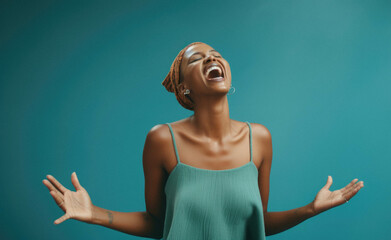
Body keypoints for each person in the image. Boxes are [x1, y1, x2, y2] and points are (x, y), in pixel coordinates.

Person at [42, 42, 364, 239]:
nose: (211, 59)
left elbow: (257, 224)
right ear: (184, 88)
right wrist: (94, 213)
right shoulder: (161, 140)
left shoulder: (260, 139)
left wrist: (310, 209)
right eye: (197, 59)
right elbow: (158, 224)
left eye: (216, 55)